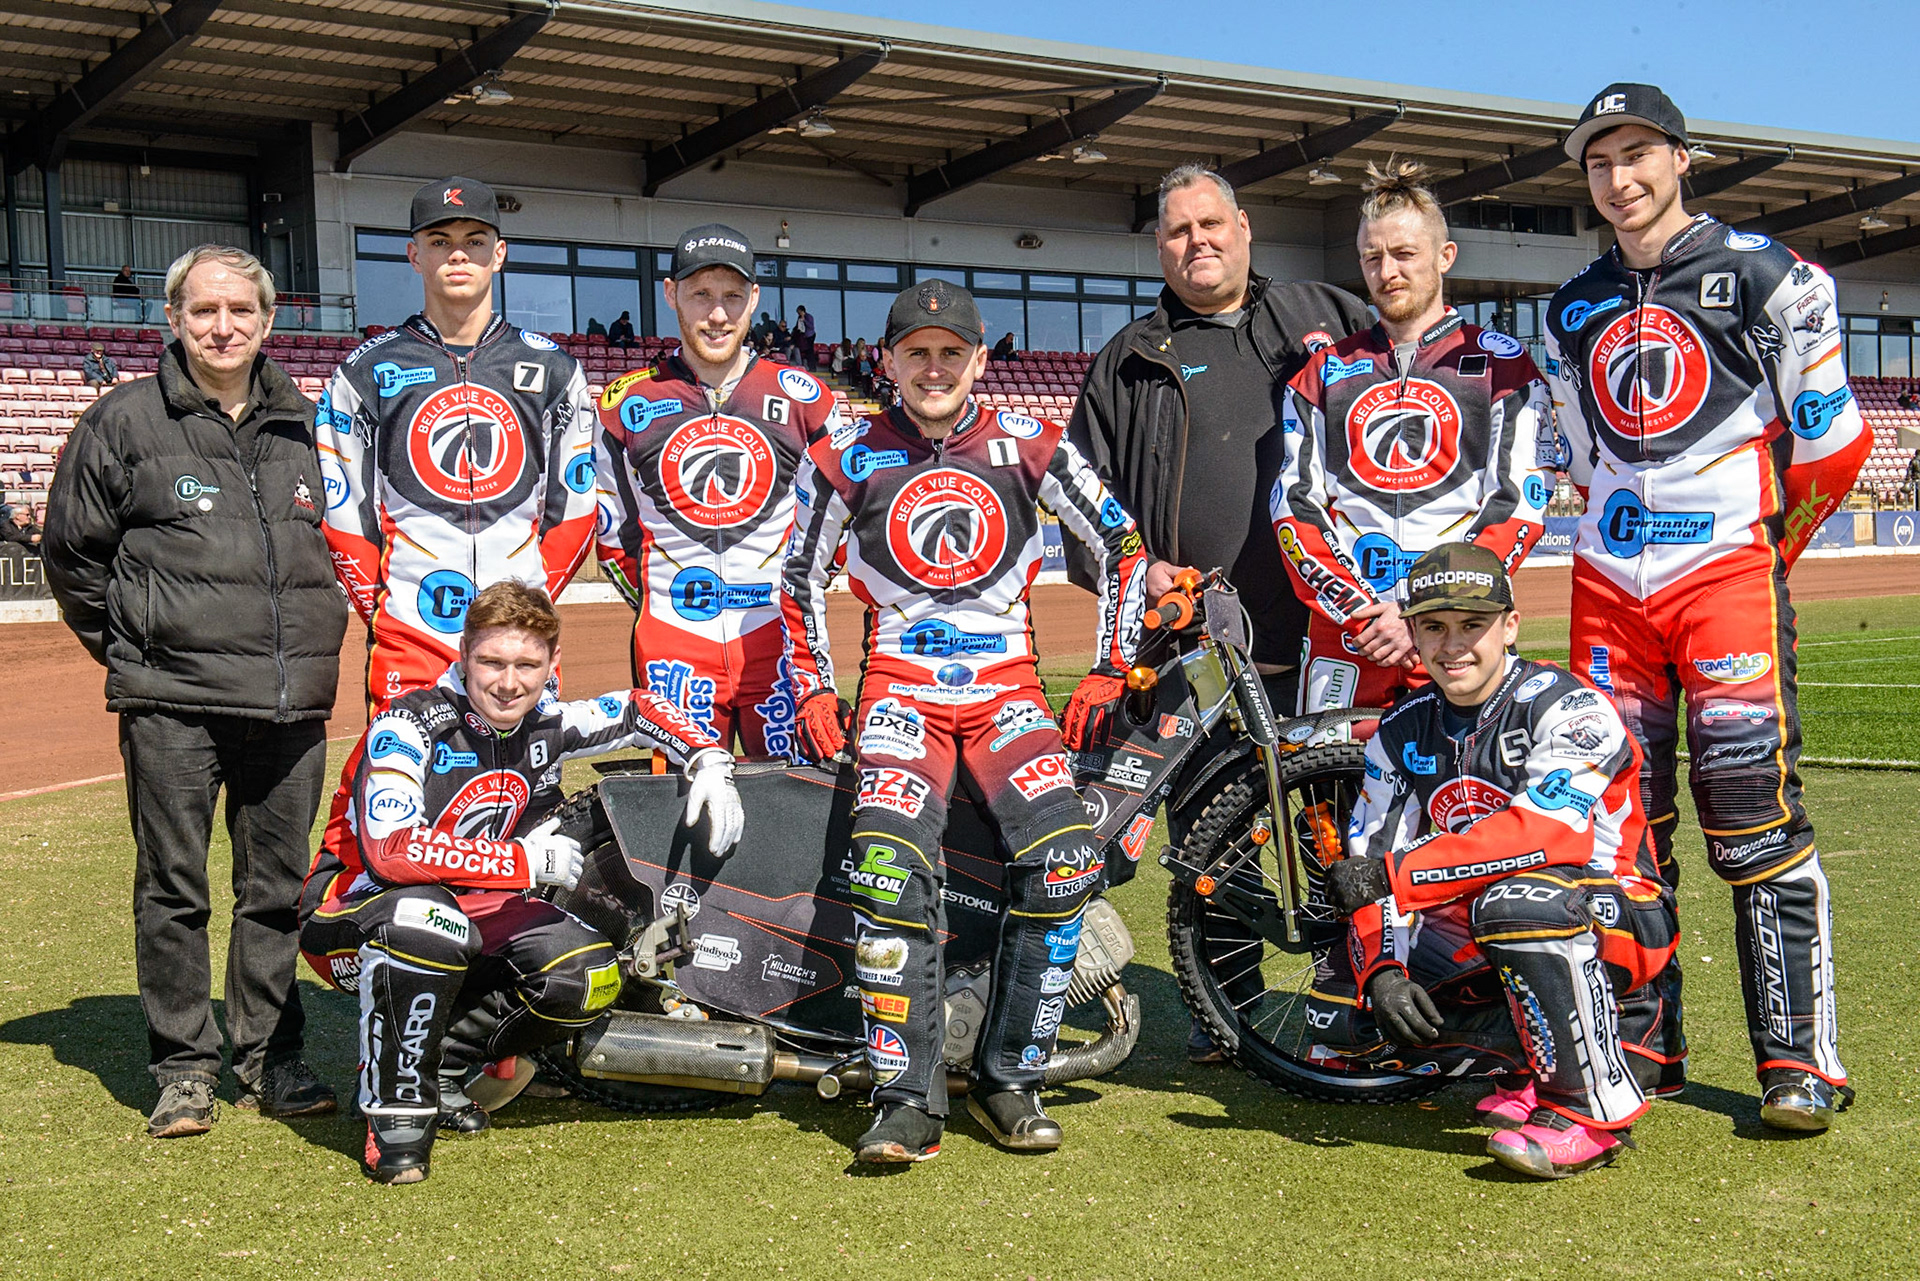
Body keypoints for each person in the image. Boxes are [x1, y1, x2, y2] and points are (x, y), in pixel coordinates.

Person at [1545, 84, 1867, 1130]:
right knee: (1620, 827)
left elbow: (1836, 443)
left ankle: (1798, 1066)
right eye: (1599, 162)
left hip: (1724, 579)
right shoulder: (1572, 303)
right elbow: (1580, 463)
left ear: (1684, 159)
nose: (1619, 179)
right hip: (1605, 590)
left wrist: (1763, 554)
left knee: (1750, 812)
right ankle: (1646, 1050)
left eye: (1637, 154)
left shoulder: (1773, 276)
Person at [781, 278, 1151, 1163]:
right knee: (886, 872)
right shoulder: (842, 450)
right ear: (890, 362)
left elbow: (1124, 548)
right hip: (899, 694)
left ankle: (1010, 1078)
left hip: (1007, 693)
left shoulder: (1032, 442)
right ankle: (906, 1099)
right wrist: (814, 689)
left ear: (981, 359)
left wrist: (1110, 663)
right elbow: (794, 575)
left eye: (954, 352)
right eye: (919, 353)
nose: (936, 367)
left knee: (1064, 866)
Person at [1066, 162, 1369, 1063]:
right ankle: (1224, 1010)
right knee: (1213, 841)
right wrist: (1141, 569)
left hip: (1327, 638)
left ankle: (1346, 1004)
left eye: (1212, 225)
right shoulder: (1129, 358)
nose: (1197, 243)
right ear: (1159, 247)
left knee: (1338, 832)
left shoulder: (1324, 315)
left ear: (1244, 228)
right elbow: (1081, 500)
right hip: (1198, 649)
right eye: (1177, 232)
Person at [44, 244, 348, 1138]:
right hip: (171, 703)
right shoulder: (123, 422)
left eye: (240, 311)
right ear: (174, 319)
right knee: (174, 887)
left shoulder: (309, 425)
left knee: (279, 889)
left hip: (291, 706)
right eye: (203, 311)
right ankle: (183, 1067)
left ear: (267, 321)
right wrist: (138, 650)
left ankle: (269, 1056)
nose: (223, 327)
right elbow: (72, 557)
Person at [298, 581, 743, 1184]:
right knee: (429, 919)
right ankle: (395, 1117)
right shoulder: (406, 724)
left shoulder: (549, 720)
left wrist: (708, 760)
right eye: (492, 662)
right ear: (463, 654)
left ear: (552, 665)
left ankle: (446, 1067)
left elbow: (640, 708)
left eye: (528, 665)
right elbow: (392, 853)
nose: (509, 683)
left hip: (471, 911)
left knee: (587, 974)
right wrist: (521, 864)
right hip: (354, 913)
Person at [1314, 544, 1678, 1178]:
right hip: (1489, 917)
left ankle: (1588, 1110)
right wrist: (1381, 971)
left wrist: (1398, 877)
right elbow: (1371, 855)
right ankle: (1525, 1061)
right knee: (1345, 997)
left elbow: (1547, 837)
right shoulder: (1402, 729)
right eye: (1433, 627)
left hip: (1618, 912)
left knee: (1516, 902)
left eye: (1471, 625)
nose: (1452, 646)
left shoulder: (1570, 707)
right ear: (1413, 635)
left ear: (1510, 626)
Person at [1272, 159, 1554, 725]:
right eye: (1373, 258)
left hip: (1460, 629)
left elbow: (1517, 505)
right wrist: (1361, 615)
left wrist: (1419, 610)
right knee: (1336, 809)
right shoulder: (1320, 373)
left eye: (1404, 254)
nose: (1387, 271)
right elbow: (1293, 509)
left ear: (1444, 257)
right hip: (1352, 642)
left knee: (1473, 801)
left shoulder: (1504, 368)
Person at [316, 175, 596, 715]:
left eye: (474, 240)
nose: (458, 255)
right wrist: (386, 612)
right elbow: (344, 512)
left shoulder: (555, 369)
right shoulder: (365, 370)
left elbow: (575, 511)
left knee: (523, 794)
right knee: (402, 790)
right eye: (440, 241)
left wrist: (526, 612)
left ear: (500, 254)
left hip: (520, 643)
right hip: (411, 636)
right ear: (414, 255)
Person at [594, 224, 840, 755]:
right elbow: (615, 536)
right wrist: (667, 602)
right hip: (673, 645)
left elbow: (834, 528)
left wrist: (794, 598)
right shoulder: (621, 406)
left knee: (790, 808)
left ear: (754, 298)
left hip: (778, 642)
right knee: (684, 820)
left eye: (732, 296)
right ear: (670, 293)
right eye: (700, 294)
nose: (718, 314)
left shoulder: (808, 400)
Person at [793, 304, 817, 369]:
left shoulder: (809, 317)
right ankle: (806, 365)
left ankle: (812, 367)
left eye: (799, 312)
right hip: (803, 337)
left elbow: (811, 327)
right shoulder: (799, 318)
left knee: (810, 352)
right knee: (804, 352)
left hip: (809, 336)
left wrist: (804, 320)